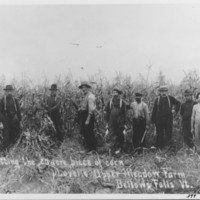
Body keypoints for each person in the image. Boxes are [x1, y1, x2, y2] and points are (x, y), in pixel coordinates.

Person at [104, 87, 127, 154]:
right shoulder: (110, 102)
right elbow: (106, 112)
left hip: (119, 123)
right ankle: (111, 149)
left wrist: (124, 123)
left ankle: (120, 149)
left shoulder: (122, 102)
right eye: (113, 93)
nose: (114, 94)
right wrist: (106, 123)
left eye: (116, 93)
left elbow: (124, 113)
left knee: (120, 135)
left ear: (119, 94)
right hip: (111, 122)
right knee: (111, 135)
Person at [0, 85, 21, 152]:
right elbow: (0, 112)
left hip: (14, 120)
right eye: (7, 91)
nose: (9, 92)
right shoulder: (2, 100)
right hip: (6, 120)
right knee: (6, 135)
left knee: (15, 135)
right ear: (5, 91)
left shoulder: (15, 100)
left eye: (10, 91)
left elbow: (18, 111)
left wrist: (20, 120)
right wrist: (1, 122)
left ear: (12, 92)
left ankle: (14, 151)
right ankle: (5, 151)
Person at [78, 81, 97, 152]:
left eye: (85, 87)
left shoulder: (90, 96)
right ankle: (89, 147)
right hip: (84, 115)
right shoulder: (85, 96)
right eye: (82, 88)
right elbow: (84, 106)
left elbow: (91, 110)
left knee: (89, 132)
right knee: (85, 132)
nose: (83, 89)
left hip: (88, 116)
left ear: (88, 88)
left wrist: (88, 119)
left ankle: (92, 148)